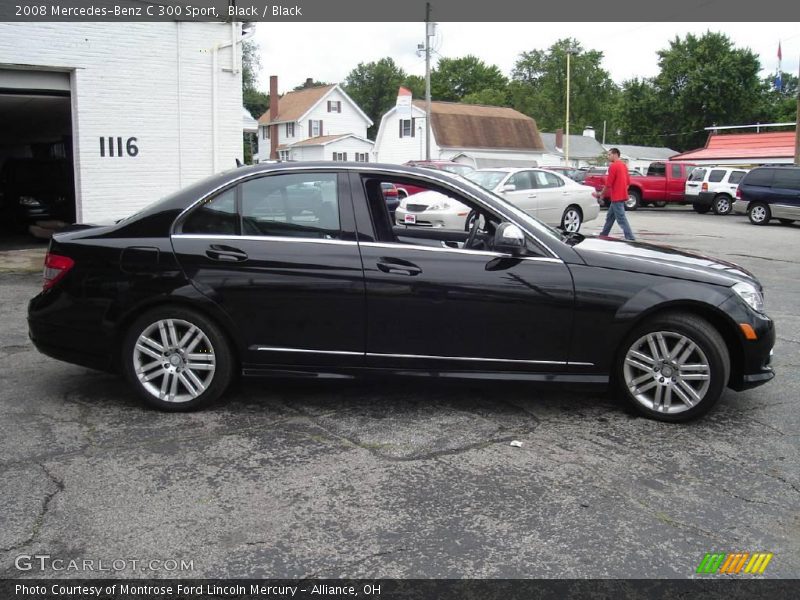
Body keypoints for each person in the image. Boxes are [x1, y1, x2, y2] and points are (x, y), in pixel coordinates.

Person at [593, 148, 635, 241]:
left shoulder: (613, 166)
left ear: (615, 154)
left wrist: (601, 194)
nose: (608, 156)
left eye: (609, 154)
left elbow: (608, 184)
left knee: (621, 218)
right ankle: (604, 234)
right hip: (621, 196)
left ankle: (630, 238)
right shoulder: (623, 165)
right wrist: (622, 190)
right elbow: (628, 183)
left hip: (617, 197)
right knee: (610, 217)